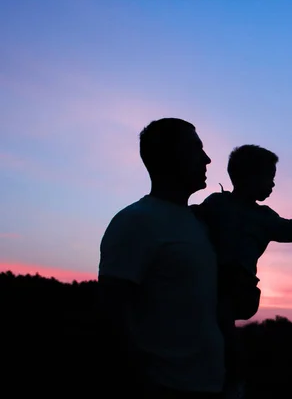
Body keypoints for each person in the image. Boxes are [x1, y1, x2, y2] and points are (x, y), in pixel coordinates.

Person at [191, 144, 292, 398]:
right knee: (216, 328)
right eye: (269, 178)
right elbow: (194, 218)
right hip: (212, 282)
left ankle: (234, 380)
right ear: (249, 177)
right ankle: (224, 378)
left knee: (223, 322)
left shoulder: (264, 217)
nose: (272, 185)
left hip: (239, 286)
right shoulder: (216, 203)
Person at [97, 118, 224, 398]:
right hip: (167, 388)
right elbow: (111, 313)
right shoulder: (135, 221)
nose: (207, 158)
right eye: (195, 148)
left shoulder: (199, 223)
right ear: (169, 157)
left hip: (210, 385)